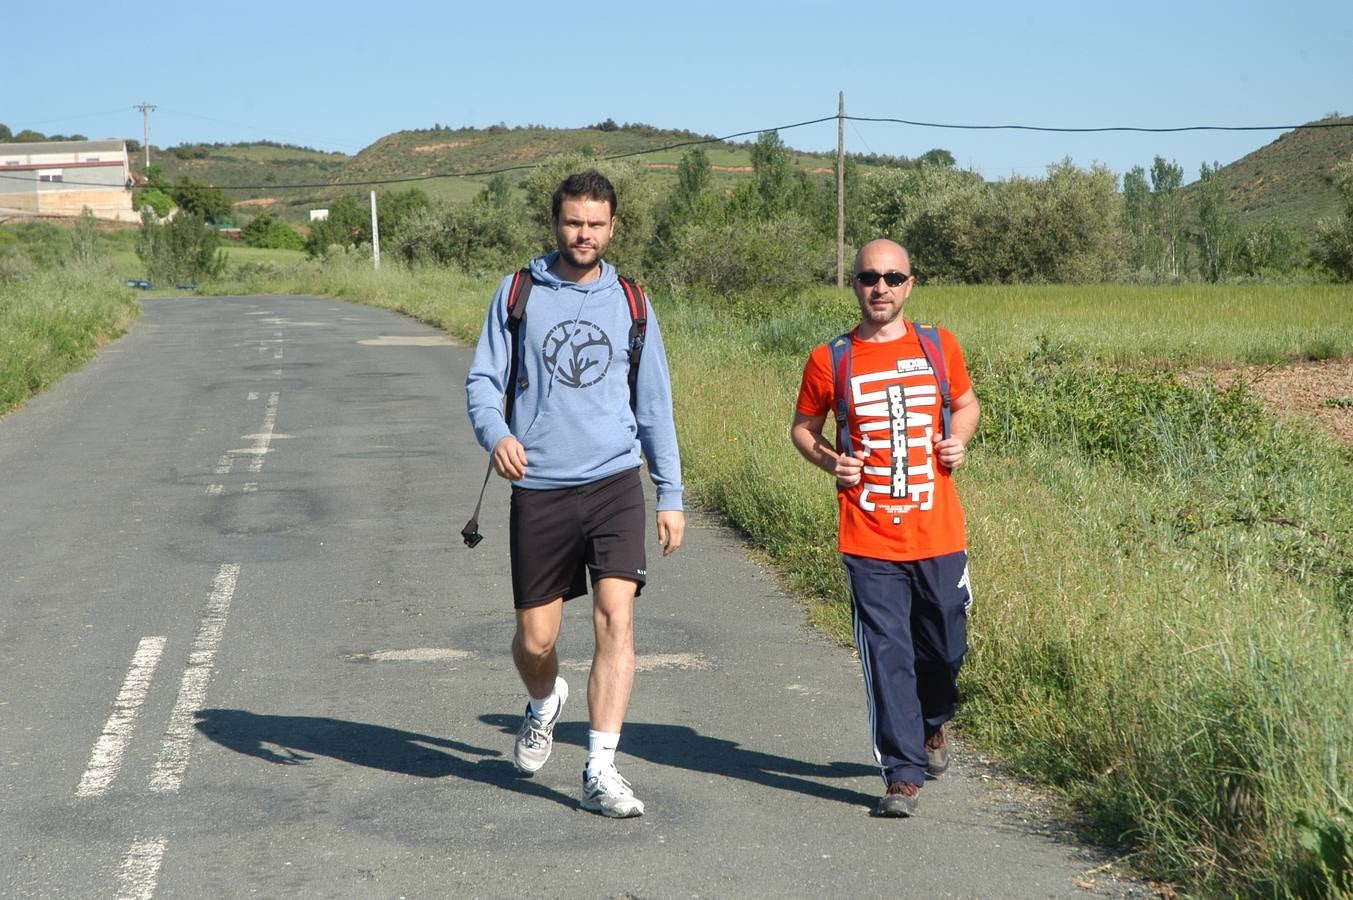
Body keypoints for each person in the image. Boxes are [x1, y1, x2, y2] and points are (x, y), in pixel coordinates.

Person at [465, 170, 685, 818]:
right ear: (555, 222)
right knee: (535, 640)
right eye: (572, 222)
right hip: (539, 486)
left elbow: (654, 407)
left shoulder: (632, 301)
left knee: (616, 618)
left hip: (615, 479)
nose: (582, 234)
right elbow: (482, 380)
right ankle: (542, 702)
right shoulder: (519, 293)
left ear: (612, 227)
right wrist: (496, 434)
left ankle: (599, 767)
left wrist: (669, 493)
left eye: (594, 223)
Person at [790, 239, 980, 818]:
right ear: (854, 284)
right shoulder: (832, 359)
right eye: (870, 277)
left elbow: (967, 405)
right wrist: (831, 461)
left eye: (893, 278)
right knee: (886, 650)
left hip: (939, 533)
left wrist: (960, 441)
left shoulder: (938, 346)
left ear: (909, 285)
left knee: (945, 648)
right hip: (867, 536)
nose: (881, 287)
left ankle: (931, 722)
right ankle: (902, 773)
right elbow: (803, 428)